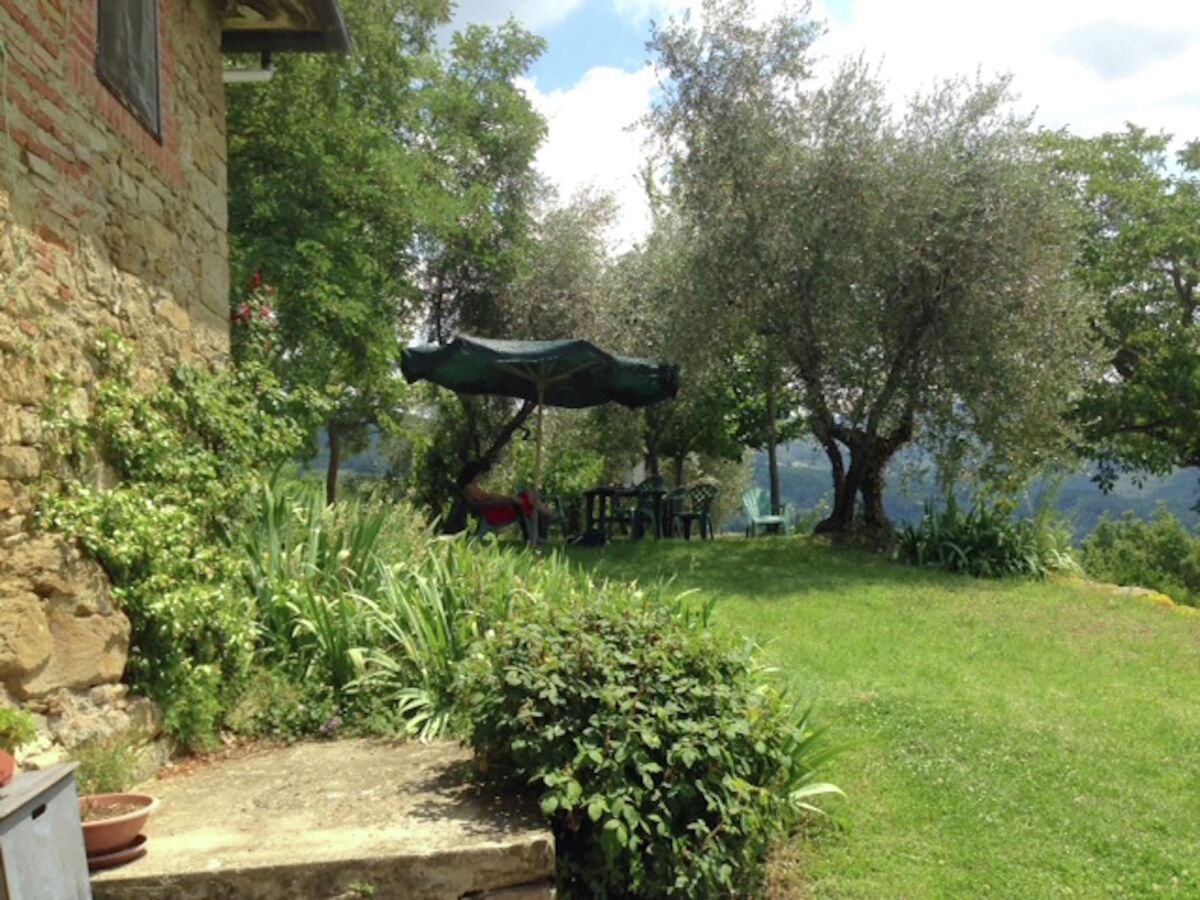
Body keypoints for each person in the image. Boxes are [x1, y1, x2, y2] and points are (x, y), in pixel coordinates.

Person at [459, 461, 555, 537]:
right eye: (478, 474)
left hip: (497, 508)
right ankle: (550, 514)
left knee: (530, 502)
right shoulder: (469, 488)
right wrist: (508, 500)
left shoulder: (472, 486)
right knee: (528, 496)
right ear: (472, 474)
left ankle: (536, 535)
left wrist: (508, 499)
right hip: (494, 514)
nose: (480, 476)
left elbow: (488, 497)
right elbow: (486, 500)